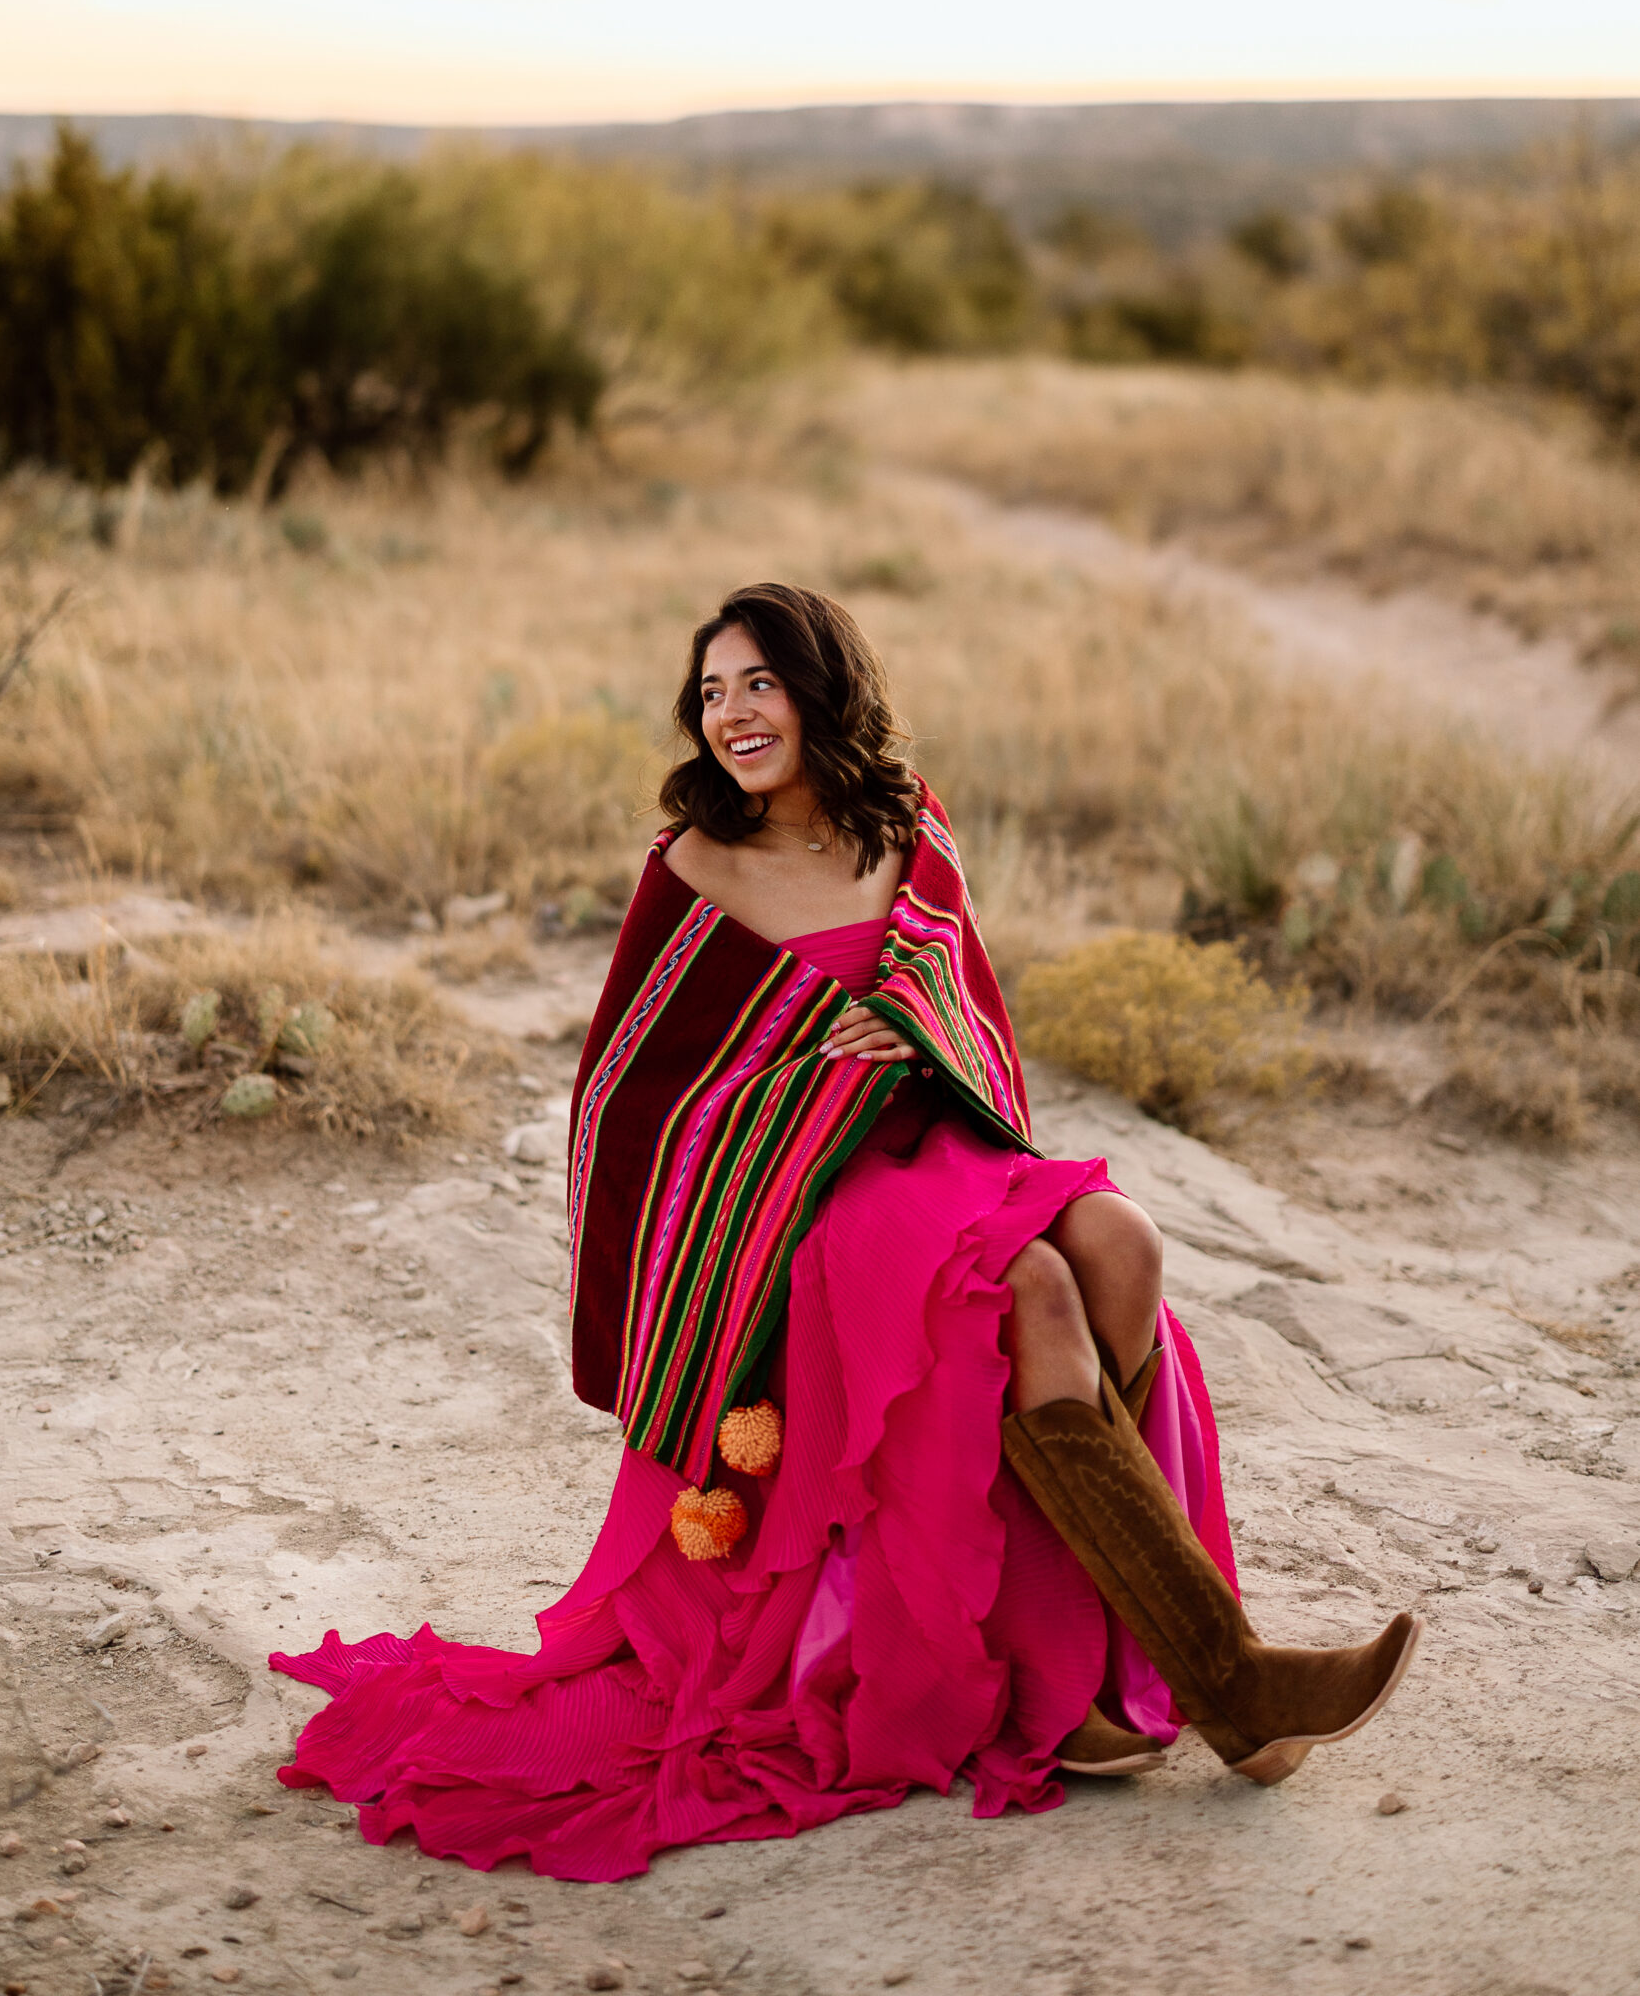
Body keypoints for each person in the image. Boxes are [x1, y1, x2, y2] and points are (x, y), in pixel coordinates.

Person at [274, 583, 1418, 1878]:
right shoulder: (692, 869)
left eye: (756, 682)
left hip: (937, 1146)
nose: (730, 714)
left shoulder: (910, 826)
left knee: (1121, 1246)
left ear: (821, 687)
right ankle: (1219, 1683)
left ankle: (1120, 1669)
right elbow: (631, 1102)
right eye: (710, 693)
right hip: (807, 1202)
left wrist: (916, 1034)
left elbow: (963, 1006)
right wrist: (811, 1080)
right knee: (1033, 1291)